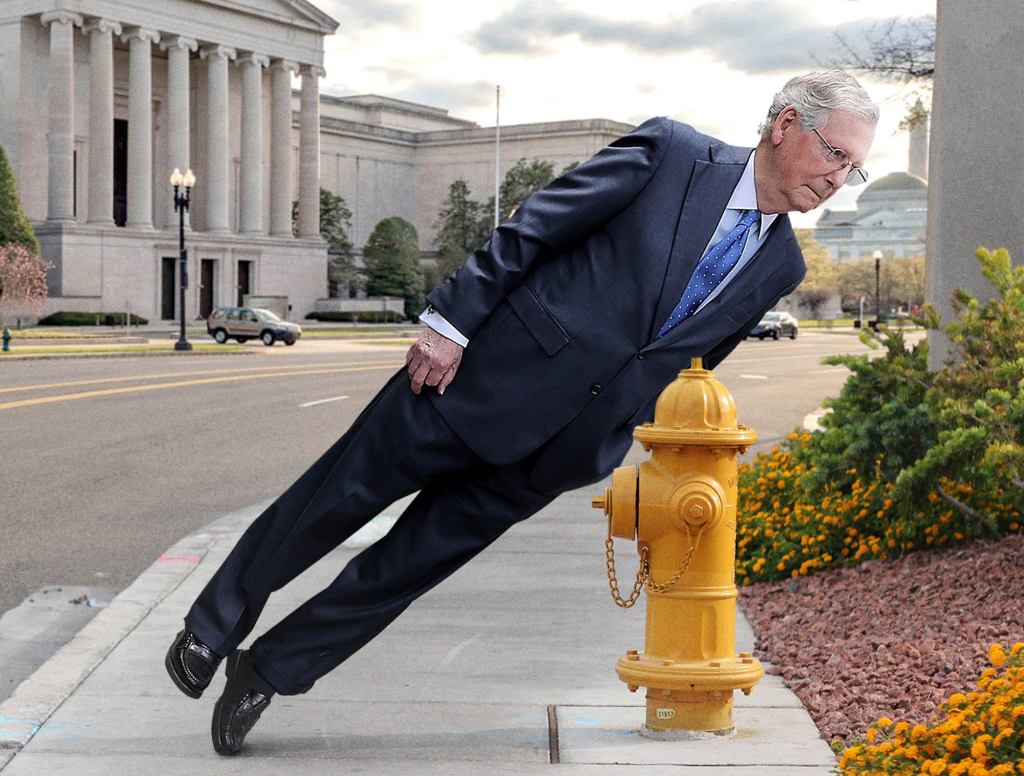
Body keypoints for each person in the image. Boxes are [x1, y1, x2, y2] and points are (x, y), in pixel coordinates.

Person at [165, 70, 878, 755]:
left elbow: (692, 362)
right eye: (835, 153)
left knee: (401, 571)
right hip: (473, 382)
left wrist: (615, 433)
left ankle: (269, 672)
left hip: (557, 452)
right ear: (787, 125)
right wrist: (451, 323)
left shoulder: (783, 266)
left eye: (854, 169)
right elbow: (534, 228)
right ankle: (215, 623)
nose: (837, 178)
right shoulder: (672, 154)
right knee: (328, 503)